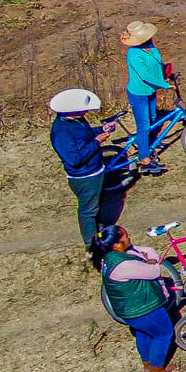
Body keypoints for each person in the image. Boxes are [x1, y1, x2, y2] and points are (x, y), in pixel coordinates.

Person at [99, 225, 181, 372]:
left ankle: (148, 366)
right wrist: (151, 261)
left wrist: (149, 258)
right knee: (163, 334)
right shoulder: (123, 265)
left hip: (129, 309)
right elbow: (154, 271)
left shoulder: (109, 257)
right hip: (143, 308)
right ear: (116, 244)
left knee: (143, 334)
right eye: (126, 237)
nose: (129, 238)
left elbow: (148, 249)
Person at [50, 88, 119, 254]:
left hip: (95, 171)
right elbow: (74, 159)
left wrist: (102, 130)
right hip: (85, 178)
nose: (86, 111)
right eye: (83, 109)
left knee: (96, 205)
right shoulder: (61, 133)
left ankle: (100, 232)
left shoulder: (77, 121)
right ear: (72, 111)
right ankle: (93, 246)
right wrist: (97, 142)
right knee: (88, 212)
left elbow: (85, 136)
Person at [121, 21, 174, 173]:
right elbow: (144, 75)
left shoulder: (152, 48)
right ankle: (144, 158)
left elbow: (158, 64)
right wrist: (165, 86)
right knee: (143, 124)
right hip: (139, 93)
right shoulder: (134, 54)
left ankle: (147, 144)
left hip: (151, 91)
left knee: (152, 118)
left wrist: (167, 72)